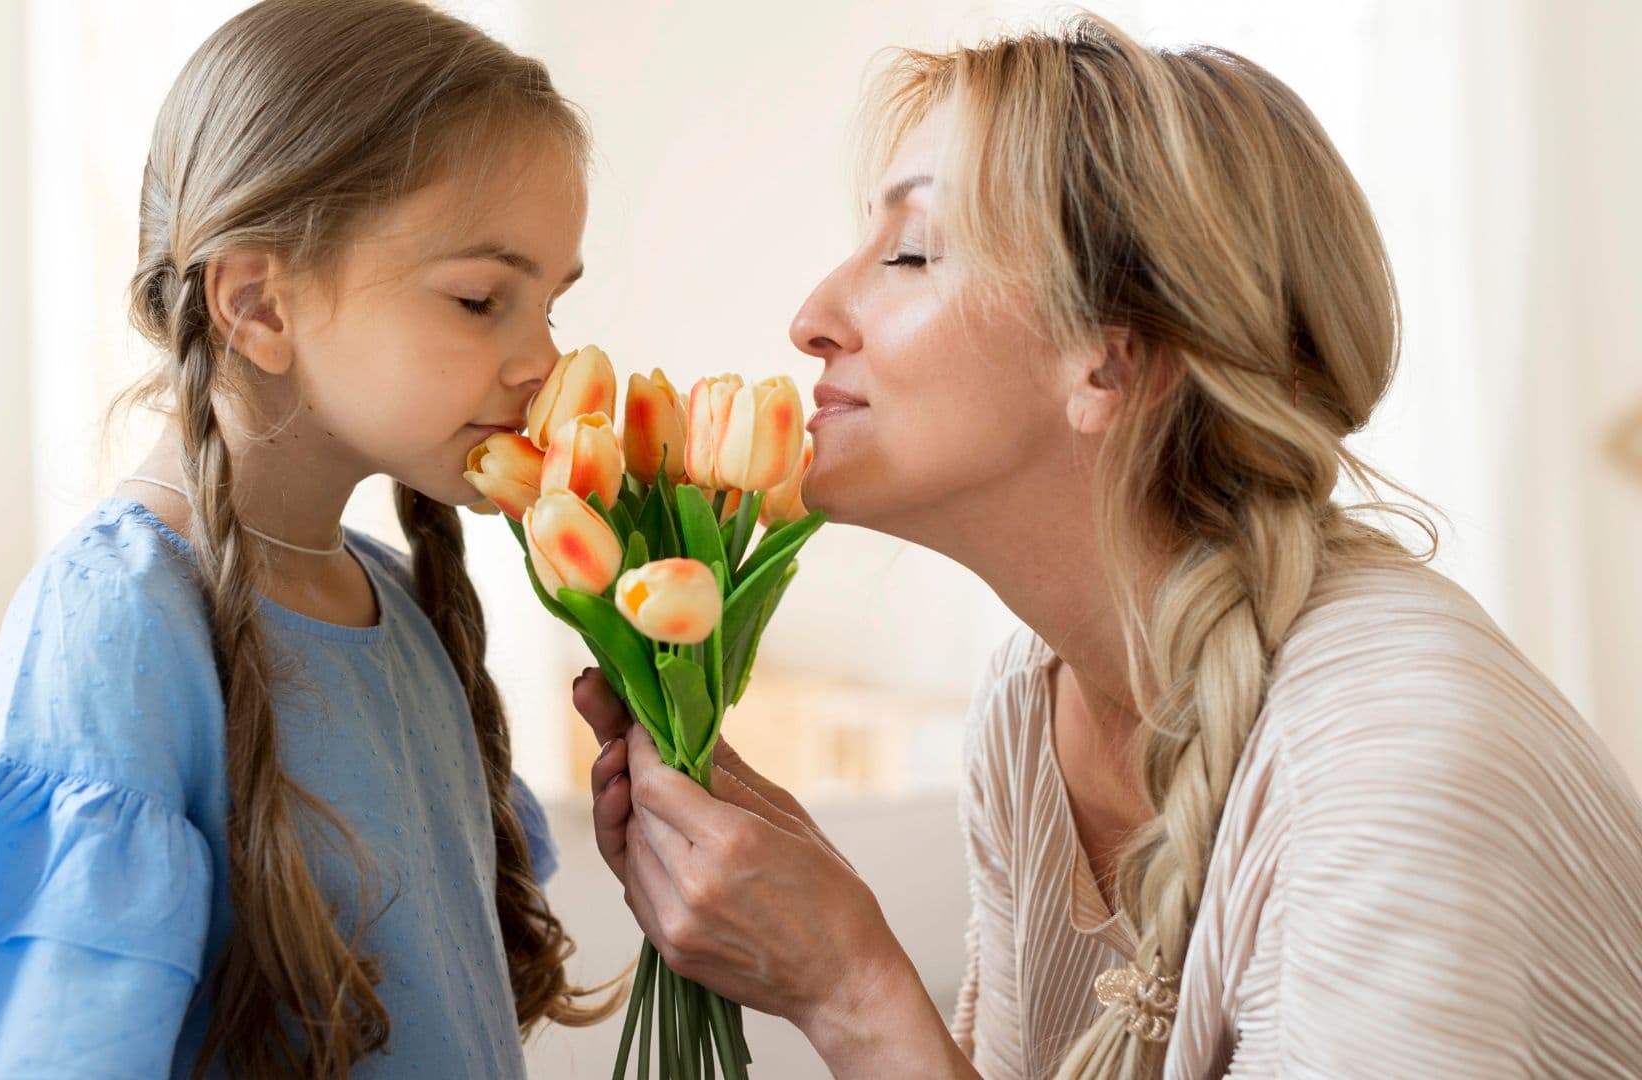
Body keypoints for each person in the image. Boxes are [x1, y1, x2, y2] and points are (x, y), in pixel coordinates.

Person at [578, 15, 1642, 1079]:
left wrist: (850, 985)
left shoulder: (1383, 771)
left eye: (908, 253)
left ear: (1109, 365)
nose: (812, 317)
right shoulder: (1029, 710)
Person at [0, 1, 611, 1075]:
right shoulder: (117, 622)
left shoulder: (402, 606)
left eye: (553, 306)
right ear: (257, 304)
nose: (543, 359)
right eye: (483, 297)